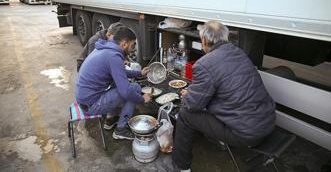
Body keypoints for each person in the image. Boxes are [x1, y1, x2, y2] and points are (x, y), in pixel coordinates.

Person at [172, 21, 276, 171]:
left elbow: (193, 105)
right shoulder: (239, 53)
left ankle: (181, 166)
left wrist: (188, 96)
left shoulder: (204, 64)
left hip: (246, 133)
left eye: (201, 40)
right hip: (267, 122)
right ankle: (216, 139)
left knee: (185, 114)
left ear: (205, 41)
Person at [75, 25, 152, 140]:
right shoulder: (113, 56)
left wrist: (139, 73)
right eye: (132, 45)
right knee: (134, 88)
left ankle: (110, 120)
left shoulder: (104, 48)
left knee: (119, 84)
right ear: (124, 44)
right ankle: (120, 130)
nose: (133, 49)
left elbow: (119, 72)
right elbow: (126, 92)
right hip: (91, 105)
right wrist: (142, 99)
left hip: (85, 100)